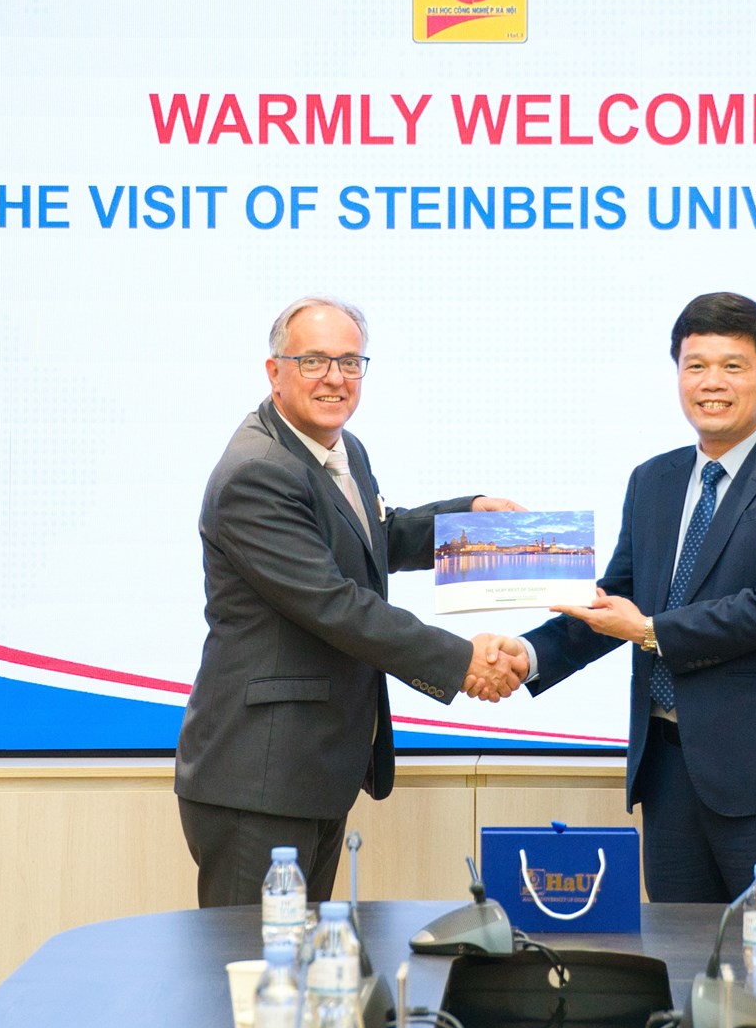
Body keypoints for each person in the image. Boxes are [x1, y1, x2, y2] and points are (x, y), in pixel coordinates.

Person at [500, 291, 756, 902]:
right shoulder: (653, 479)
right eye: (695, 366)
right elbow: (619, 597)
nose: (711, 383)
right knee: (678, 954)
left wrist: (649, 631)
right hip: (666, 774)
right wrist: (528, 655)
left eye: (732, 366)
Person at [175, 295, 525, 907]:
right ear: (275, 371)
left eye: (350, 362)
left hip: (309, 770)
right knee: (256, 962)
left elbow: (369, 537)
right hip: (258, 779)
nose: (335, 378)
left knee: (303, 958)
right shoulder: (257, 472)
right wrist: (461, 660)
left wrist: (467, 524)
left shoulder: (341, 448)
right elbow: (333, 603)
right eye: (313, 361)